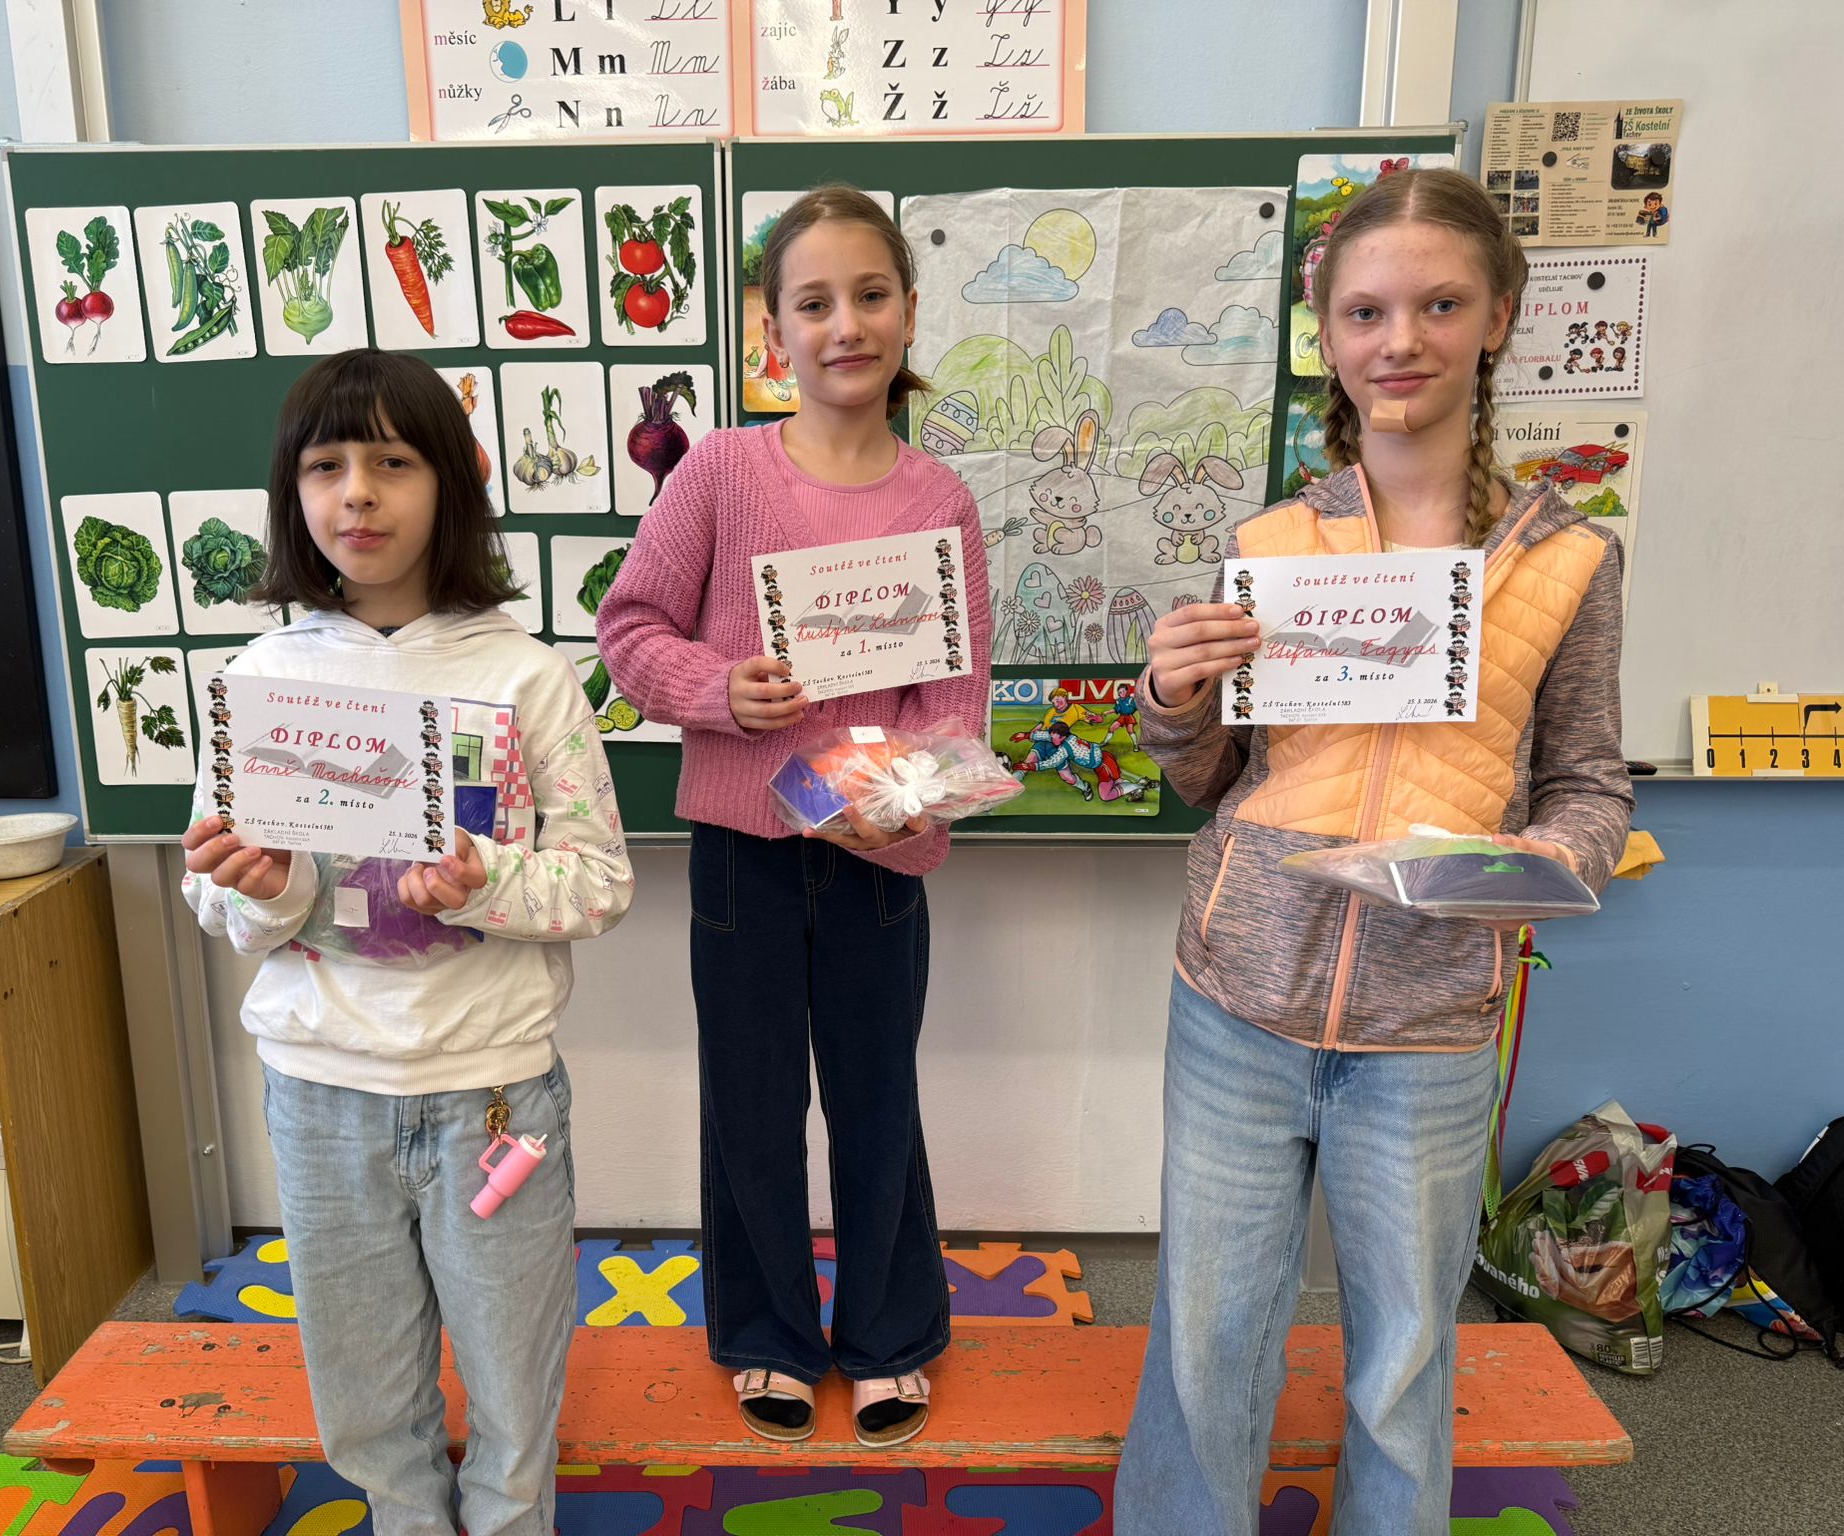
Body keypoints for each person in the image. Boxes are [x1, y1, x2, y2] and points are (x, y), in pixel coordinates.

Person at [1117, 169, 1633, 1534]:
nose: (1399, 339)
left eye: (1437, 305)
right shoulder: (1271, 542)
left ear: (1498, 316)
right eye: (1365, 312)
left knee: (1403, 1363)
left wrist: (1542, 859)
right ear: (1329, 334)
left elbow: (1589, 784)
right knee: (1207, 1345)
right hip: (1237, 999)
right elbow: (1210, 780)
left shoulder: (1570, 562)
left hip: (1430, 1020)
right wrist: (1172, 697)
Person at [181, 348, 634, 1536]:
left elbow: (599, 881)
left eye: (392, 462)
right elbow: (223, 910)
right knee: (365, 1396)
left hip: (491, 1095)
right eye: (325, 467)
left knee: (513, 1384)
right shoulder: (262, 678)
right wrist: (266, 889)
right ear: (292, 493)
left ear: (449, 484)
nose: (357, 495)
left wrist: (485, 886)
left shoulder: (524, 676)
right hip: (320, 1092)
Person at [597, 184, 991, 1450]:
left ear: (908, 312)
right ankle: (766, 1334)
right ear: (773, 331)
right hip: (742, 857)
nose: (844, 325)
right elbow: (627, 632)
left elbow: (953, 702)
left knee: (877, 1101)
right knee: (751, 1106)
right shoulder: (720, 470)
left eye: (869, 296)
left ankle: (886, 1337)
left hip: (876, 861)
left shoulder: (939, 500)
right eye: (812, 303)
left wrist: (905, 804)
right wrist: (719, 691)